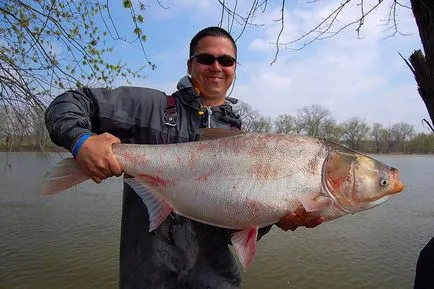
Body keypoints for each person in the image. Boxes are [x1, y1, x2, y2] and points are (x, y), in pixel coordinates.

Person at [45, 26, 324, 289]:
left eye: (226, 61)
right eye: (206, 58)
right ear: (190, 65)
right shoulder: (148, 107)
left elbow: (232, 230)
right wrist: (81, 141)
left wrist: (273, 219)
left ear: (235, 70)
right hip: (147, 280)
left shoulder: (243, 140)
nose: (217, 67)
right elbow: (70, 102)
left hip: (218, 281)